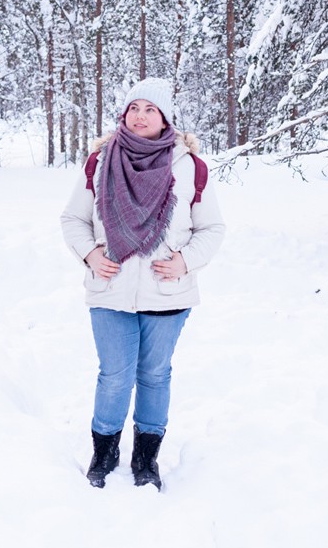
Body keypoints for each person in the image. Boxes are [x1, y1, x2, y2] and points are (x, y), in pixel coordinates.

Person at [61, 77, 225, 491]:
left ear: (165, 116)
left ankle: (146, 457)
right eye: (134, 108)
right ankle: (105, 451)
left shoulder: (189, 167)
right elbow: (73, 219)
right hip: (110, 290)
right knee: (114, 375)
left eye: (150, 109)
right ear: (124, 113)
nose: (140, 116)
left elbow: (212, 229)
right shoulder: (100, 161)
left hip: (166, 292)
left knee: (154, 375)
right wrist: (91, 255)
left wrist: (185, 262)